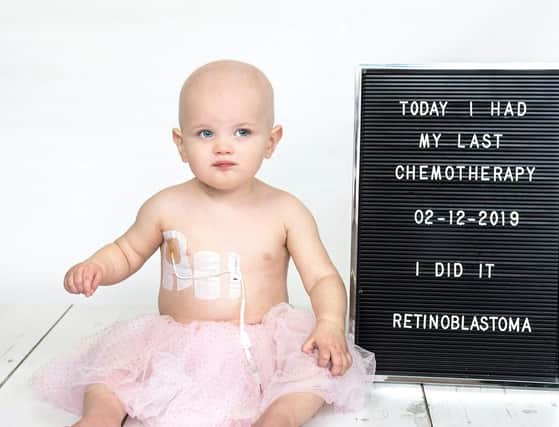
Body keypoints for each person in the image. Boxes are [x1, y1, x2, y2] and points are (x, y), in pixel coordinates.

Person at [30, 59, 376, 427]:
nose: (223, 147)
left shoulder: (286, 210)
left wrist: (329, 322)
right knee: (114, 370)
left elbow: (322, 277)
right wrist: (97, 266)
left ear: (271, 141)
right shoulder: (166, 205)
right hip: (176, 343)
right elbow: (126, 251)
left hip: (261, 341)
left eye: (242, 132)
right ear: (181, 144)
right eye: (206, 134)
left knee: (312, 369)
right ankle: (102, 414)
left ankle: (280, 417)